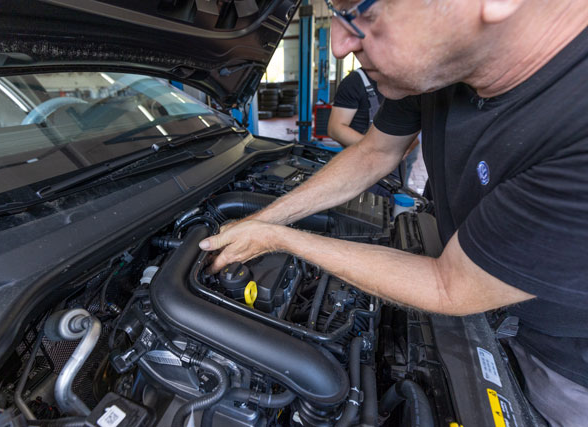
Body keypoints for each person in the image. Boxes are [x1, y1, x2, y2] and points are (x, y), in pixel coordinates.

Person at [198, 1, 588, 425]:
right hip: (479, 285)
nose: (340, 46)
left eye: (361, 11)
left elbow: (450, 285)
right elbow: (374, 152)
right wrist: (265, 220)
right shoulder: (441, 65)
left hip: (561, 357)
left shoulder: (576, 125)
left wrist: (280, 239)